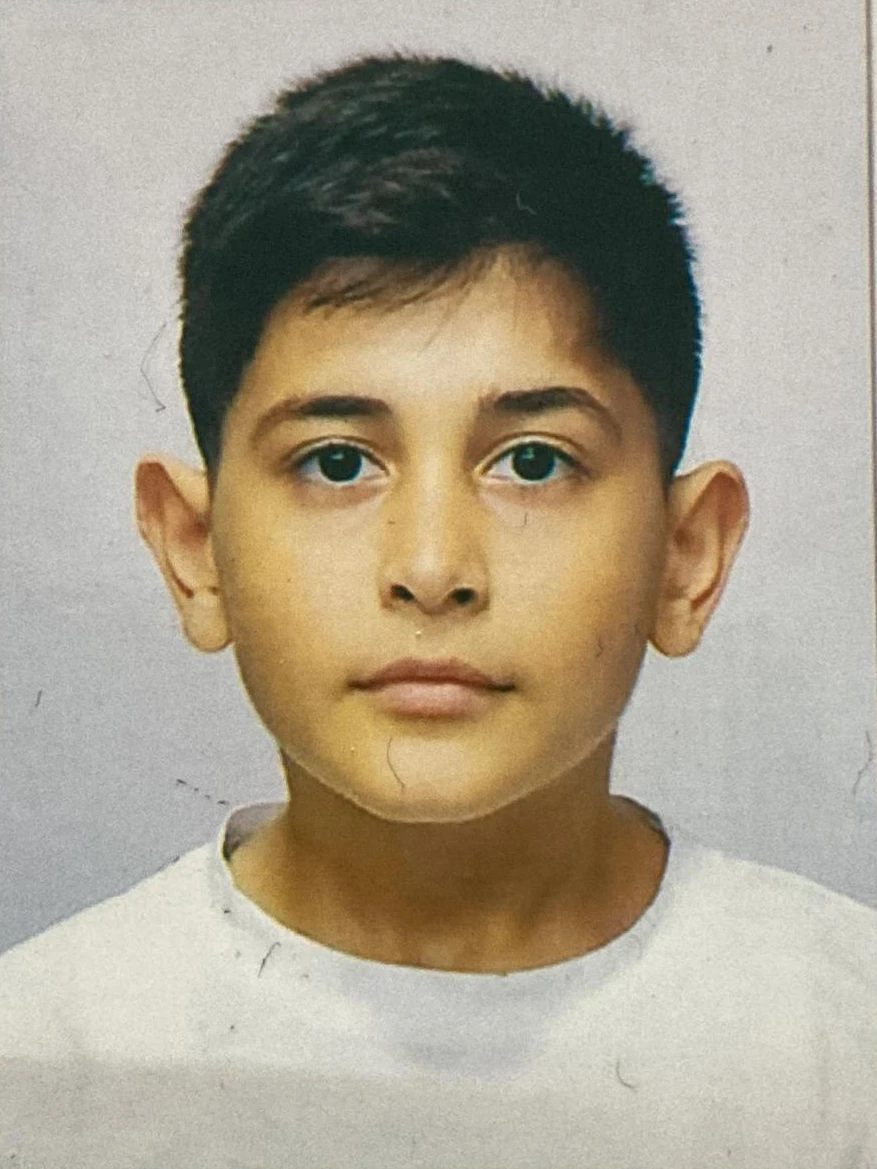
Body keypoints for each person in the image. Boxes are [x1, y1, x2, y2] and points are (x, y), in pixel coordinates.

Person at [0, 52, 874, 1169]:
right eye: (335, 461)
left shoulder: (842, 1048)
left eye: (532, 460)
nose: (430, 568)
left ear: (685, 557)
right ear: (194, 549)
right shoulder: (41, 1063)